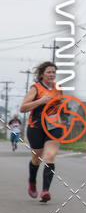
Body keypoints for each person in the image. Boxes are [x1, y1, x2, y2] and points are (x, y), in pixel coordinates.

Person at [20, 62, 63, 202]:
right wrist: (40, 101)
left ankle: (45, 191)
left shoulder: (58, 88)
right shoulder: (36, 88)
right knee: (36, 158)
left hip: (54, 127)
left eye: (53, 72)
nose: (51, 75)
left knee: (50, 156)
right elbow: (23, 108)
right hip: (36, 127)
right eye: (49, 72)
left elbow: (60, 107)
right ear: (42, 74)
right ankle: (32, 181)